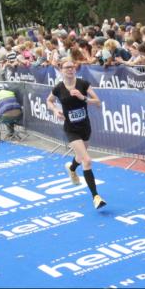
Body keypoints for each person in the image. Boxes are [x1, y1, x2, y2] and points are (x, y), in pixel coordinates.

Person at [46, 59, 107, 209]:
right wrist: (55, 110)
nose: (70, 69)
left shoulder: (83, 84)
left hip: (85, 127)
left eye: (72, 67)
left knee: (80, 157)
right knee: (87, 160)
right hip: (71, 129)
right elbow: (49, 101)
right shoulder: (59, 88)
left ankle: (72, 168)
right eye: (67, 67)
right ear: (61, 70)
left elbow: (98, 102)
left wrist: (83, 97)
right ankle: (96, 197)